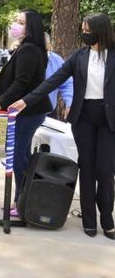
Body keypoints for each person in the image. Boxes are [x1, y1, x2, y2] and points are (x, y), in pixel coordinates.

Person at [10, 13, 115, 240]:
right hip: (84, 117)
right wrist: (27, 99)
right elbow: (53, 81)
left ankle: (107, 218)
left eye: (89, 31)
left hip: (109, 120)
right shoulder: (79, 56)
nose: (85, 34)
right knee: (86, 168)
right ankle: (89, 220)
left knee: (105, 171)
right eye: (83, 30)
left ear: (102, 31)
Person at [0, 9, 52, 216]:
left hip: (28, 111)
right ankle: (22, 199)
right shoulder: (26, 48)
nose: (16, 25)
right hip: (24, 111)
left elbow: (21, 82)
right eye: (16, 21)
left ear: (30, 26)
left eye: (21, 22)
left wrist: (1, 102)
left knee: (16, 156)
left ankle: (22, 200)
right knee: (19, 154)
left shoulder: (30, 50)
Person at [44, 32, 73, 120]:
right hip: (25, 112)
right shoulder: (23, 58)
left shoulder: (55, 60)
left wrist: (69, 103)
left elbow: (67, 83)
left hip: (48, 111)